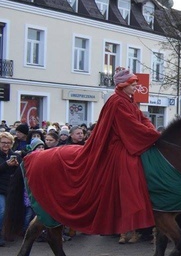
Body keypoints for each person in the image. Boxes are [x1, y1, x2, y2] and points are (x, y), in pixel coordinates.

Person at [22, 67, 162, 235]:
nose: (135, 86)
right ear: (123, 84)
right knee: (130, 167)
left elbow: (143, 119)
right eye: (133, 83)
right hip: (116, 147)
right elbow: (132, 128)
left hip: (126, 141)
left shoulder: (129, 100)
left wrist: (153, 132)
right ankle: (122, 209)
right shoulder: (117, 101)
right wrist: (153, 135)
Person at [0, 131, 19, 246]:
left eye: (8, 143)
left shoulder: (15, 155)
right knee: (2, 211)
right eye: (3, 143)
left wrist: (17, 165)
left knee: (10, 212)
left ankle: (8, 233)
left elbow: (22, 171)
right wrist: (6, 164)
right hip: (0, 189)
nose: (6, 145)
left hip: (11, 189)